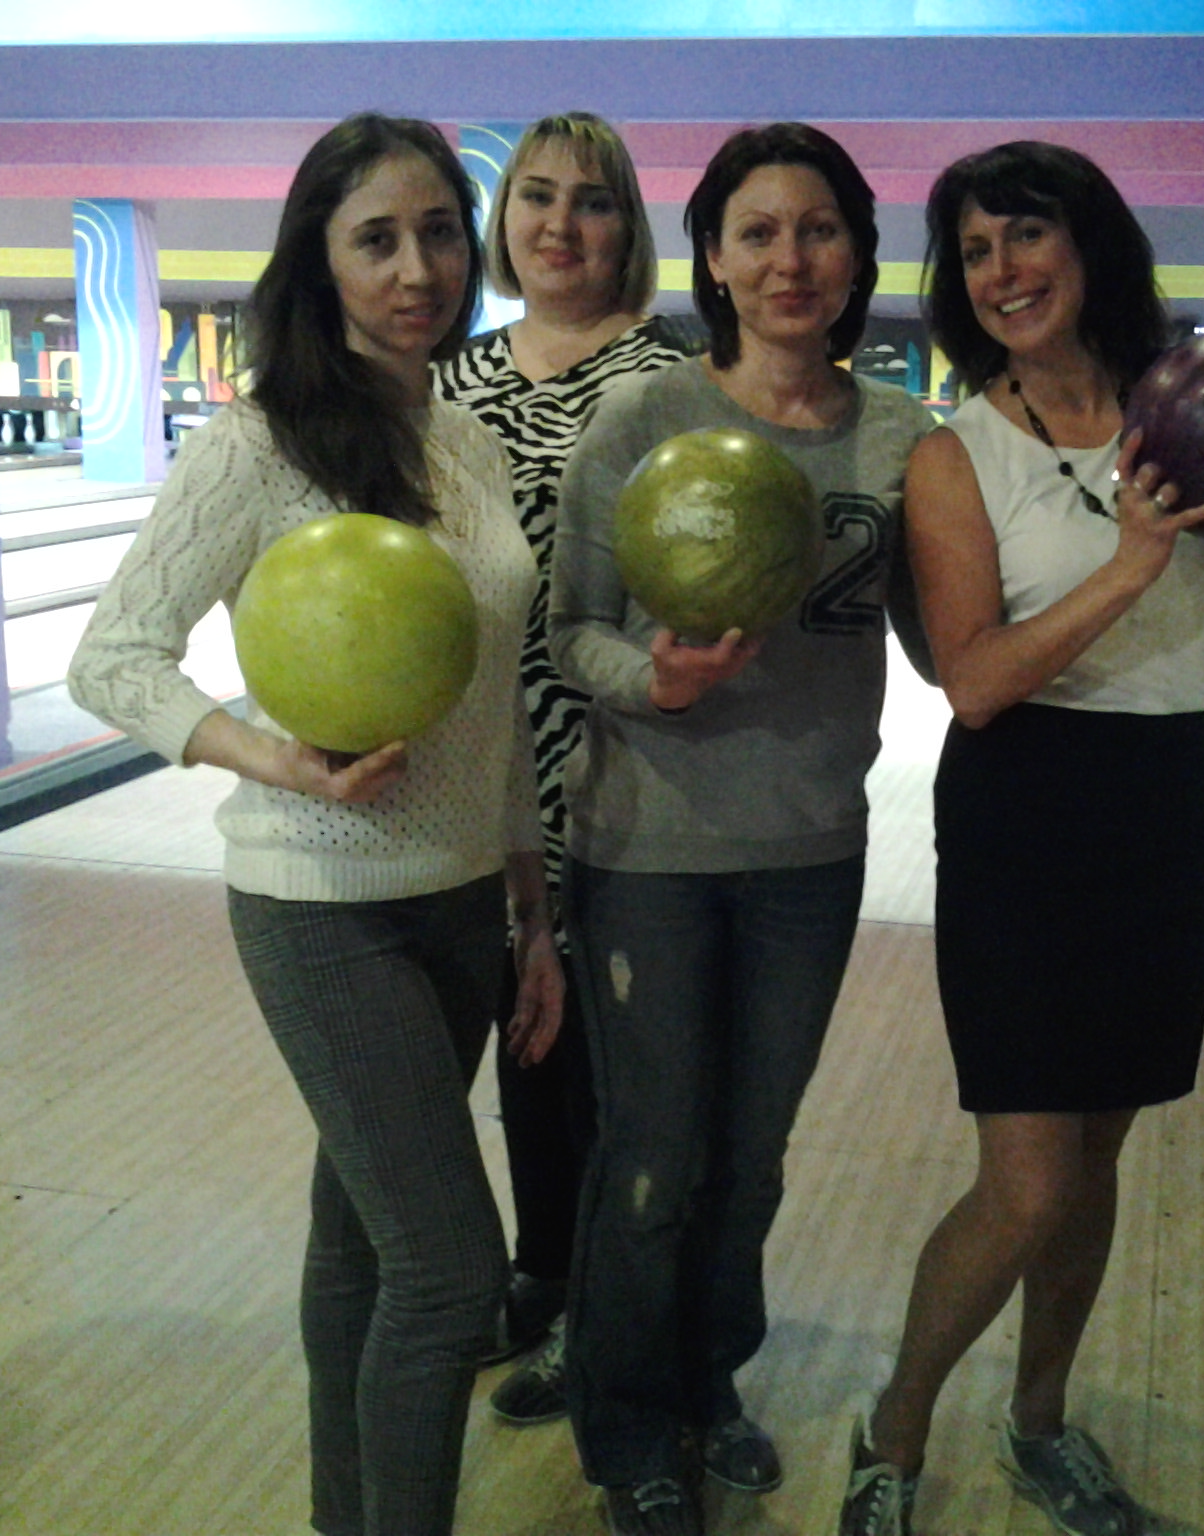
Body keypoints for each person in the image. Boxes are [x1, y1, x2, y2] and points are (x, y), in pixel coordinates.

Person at [836, 142, 1204, 1536]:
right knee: (1028, 1182)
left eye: (1024, 236)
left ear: (1089, 245)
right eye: (974, 252)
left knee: (1097, 1158)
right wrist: (1130, 565)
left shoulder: (1191, 410)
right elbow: (973, 681)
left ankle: (1042, 1422)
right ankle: (893, 1427)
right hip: (1026, 809)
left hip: (1176, 799)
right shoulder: (958, 454)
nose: (1000, 272)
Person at [67, 113, 561, 1536]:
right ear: (319, 260)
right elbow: (114, 657)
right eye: (376, 239)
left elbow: (495, 696)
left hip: (463, 896)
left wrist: (534, 910)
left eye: (439, 233)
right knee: (451, 1275)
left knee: (361, 1244)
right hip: (321, 905)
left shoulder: (465, 441)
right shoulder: (259, 443)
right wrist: (271, 759)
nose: (418, 269)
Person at [549, 122, 935, 1536]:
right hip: (647, 848)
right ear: (711, 256)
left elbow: (946, 640)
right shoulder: (642, 423)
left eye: (818, 229)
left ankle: (708, 1383)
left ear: (856, 254)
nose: (789, 259)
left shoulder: (903, 439)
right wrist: (646, 681)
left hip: (809, 849)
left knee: (751, 1157)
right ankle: (626, 1429)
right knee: (653, 1159)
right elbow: (570, 630)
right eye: (757, 232)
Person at [432, 111, 692, 1409]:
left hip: (623, 763)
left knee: (607, 1057)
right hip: (482, 768)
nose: (558, 223)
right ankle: (545, 1270)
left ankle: (614, 1309)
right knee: (526, 1039)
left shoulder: (669, 377)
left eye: (591, 202)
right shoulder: (450, 377)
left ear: (625, 227)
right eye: (535, 196)